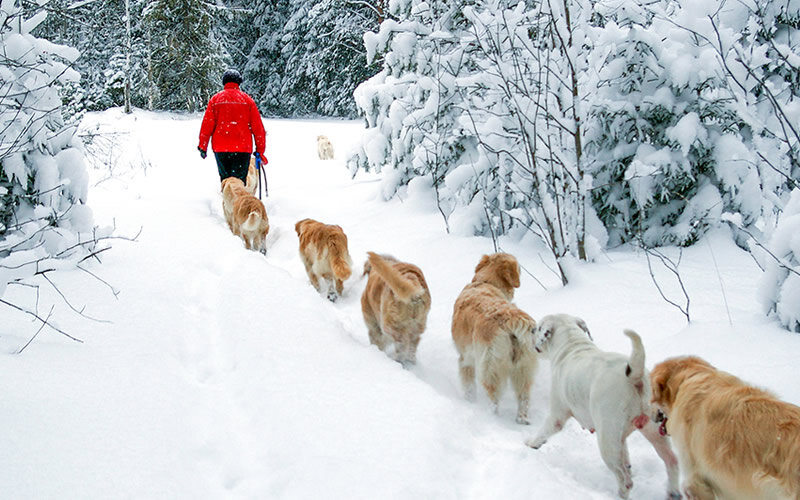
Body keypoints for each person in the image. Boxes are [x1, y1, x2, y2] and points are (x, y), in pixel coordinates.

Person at [198, 69, 267, 183]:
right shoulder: (248, 101)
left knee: (226, 182)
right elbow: (258, 129)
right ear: (239, 82)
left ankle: (227, 198)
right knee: (239, 182)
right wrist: (260, 150)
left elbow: (207, 126)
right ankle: (239, 199)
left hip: (221, 148)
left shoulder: (215, 100)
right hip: (243, 148)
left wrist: (203, 146)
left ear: (224, 82)